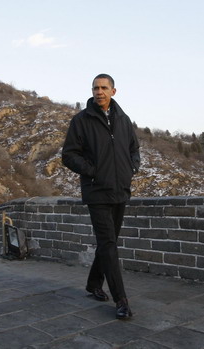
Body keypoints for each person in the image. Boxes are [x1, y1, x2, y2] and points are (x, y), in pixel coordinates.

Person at [62, 73, 140, 319]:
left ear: (113, 91)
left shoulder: (124, 120)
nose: (99, 92)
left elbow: (134, 149)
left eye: (104, 88)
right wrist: (92, 171)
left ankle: (93, 283)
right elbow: (69, 155)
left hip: (119, 190)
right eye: (96, 88)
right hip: (97, 191)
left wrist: (131, 168)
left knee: (109, 243)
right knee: (108, 243)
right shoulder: (81, 120)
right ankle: (121, 299)